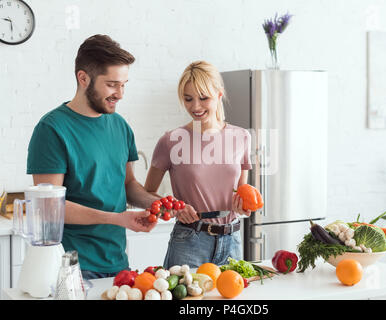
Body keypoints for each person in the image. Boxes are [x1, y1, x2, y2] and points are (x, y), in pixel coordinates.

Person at [26, 34, 159, 280]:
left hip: (118, 261)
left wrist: (157, 203)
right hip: (72, 266)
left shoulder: (120, 126)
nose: (120, 94)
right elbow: (50, 208)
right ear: (83, 78)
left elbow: (128, 185)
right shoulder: (52, 129)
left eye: (124, 84)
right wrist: (119, 219)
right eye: (112, 84)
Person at [144, 60, 253, 268]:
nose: (195, 106)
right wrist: (176, 208)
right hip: (190, 241)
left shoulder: (241, 137)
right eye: (188, 99)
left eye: (204, 98)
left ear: (219, 95)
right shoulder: (171, 140)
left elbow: (241, 194)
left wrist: (244, 207)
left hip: (232, 241)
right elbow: (148, 194)